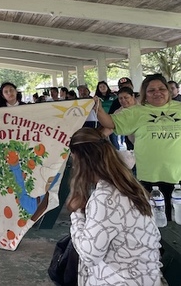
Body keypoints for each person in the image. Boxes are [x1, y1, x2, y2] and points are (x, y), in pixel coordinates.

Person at [67, 127, 162, 286]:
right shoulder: (129, 184)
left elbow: (89, 255)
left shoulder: (106, 198)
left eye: (74, 162)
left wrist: (77, 214)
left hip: (121, 280)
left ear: (83, 163)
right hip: (146, 276)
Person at [94, 73, 181, 220]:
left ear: (168, 90)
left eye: (161, 88)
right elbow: (110, 123)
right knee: (156, 222)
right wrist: (98, 108)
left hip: (179, 177)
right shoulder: (137, 111)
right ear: (144, 95)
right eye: (151, 90)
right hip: (151, 180)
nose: (157, 92)